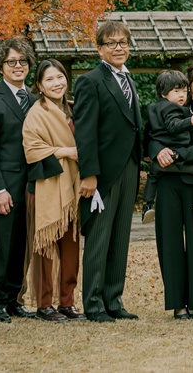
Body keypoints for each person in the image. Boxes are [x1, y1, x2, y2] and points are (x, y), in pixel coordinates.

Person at [74, 20, 143, 323]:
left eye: (123, 42)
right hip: (102, 173)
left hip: (128, 167)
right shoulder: (90, 81)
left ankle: (113, 300)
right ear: (99, 48)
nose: (119, 48)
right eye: (112, 43)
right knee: (99, 238)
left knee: (120, 237)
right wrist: (89, 174)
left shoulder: (129, 80)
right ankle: (93, 304)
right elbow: (85, 131)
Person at [0, 37, 40, 323]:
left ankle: (14, 298)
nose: (18, 66)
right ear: (1, 66)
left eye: (22, 61)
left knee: (21, 246)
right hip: (6, 186)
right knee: (2, 245)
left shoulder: (37, 101)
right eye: (11, 62)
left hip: (35, 184)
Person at [148, 64, 193, 319]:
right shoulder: (169, 106)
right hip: (168, 185)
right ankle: (177, 303)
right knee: (170, 243)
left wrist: (177, 154)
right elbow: (151, 134)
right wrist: (158, 150)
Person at [21, 59, 86, 323]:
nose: (56, 83)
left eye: (60, 77)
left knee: (70, 248)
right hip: (45, 187)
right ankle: (45, 304)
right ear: (39, 85)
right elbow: (32, 150)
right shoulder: (36, 113)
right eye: (49, 79)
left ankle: (67, 302)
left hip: (73, 187)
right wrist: (67, 151)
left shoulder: (74, 110)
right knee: (46, 248)